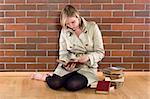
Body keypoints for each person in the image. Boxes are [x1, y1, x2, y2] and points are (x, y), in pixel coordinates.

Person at [31, 5, 105, 91]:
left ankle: (63, 78)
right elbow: (63, 53)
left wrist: (88, 57)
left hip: (87, 68)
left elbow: (100, 52)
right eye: (67, 24)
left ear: (78, 17)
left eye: (73, 22)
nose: (71, 26)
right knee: (55, 84)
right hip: (71, 66)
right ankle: (46, 77)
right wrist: (65, 63)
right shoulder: (64, 30)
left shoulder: (92, 27)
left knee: (72, 85)